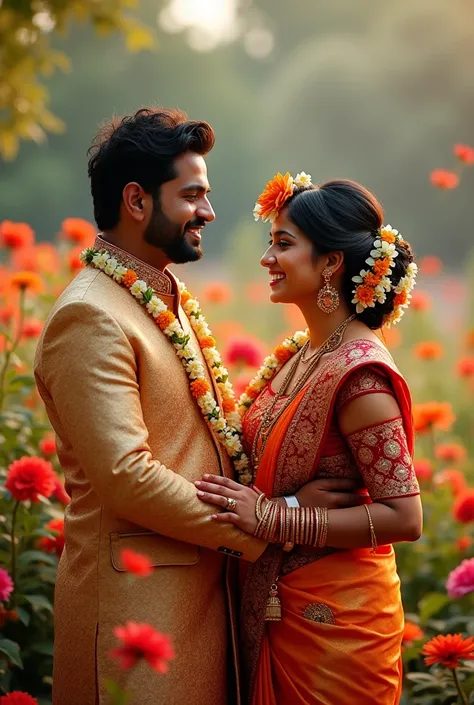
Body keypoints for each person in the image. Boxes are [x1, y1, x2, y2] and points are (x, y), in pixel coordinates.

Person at [34, 114, 358, 705]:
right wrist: (274, 517)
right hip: (138, 616)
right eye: (192, 195)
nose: (208, 212)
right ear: (136, 200)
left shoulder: (161, 295)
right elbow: (126, 477)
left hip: (200, 608)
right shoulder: (91, 317)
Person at [195, 173, 423, 705]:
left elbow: (406, 517)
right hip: (281, 603)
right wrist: (285, 504)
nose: (267, 258)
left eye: (283, 243)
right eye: (270, 241)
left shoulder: (361, 377)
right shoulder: (308, 352)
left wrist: (278, 517)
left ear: (330, 263)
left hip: (336, 629)